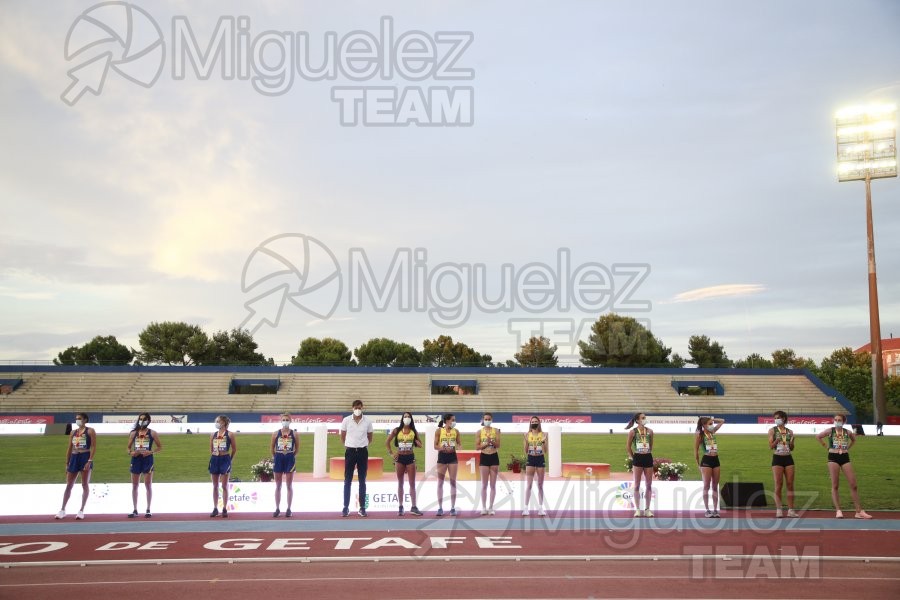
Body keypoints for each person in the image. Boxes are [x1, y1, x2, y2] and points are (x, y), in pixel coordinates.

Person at [815, 414, 872, 519]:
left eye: (839, 420)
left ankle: (858, 511)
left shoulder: (848, 432)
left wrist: (848, 448)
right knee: (835, 485)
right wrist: (826, 447)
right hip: (833, 457)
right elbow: (818, 436)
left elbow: (854, 440)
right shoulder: (830, 431)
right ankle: (838, 510)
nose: (837, 421)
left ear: (844, 421)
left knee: (853, 484)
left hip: (845, 457)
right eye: (835, 420)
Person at [55, 412, 96, 520]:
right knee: (69, 484)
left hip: (85, 456)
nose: (77, 420)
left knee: (84, 484)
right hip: (74, 457)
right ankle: (62, 509)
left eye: (79, 418)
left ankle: (81, 510)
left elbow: (93, 447)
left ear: (85, 420)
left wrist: (89, 461)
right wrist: (67, 462)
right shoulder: (73, 432)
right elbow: (69, 447)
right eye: (76, 418)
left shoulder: (90, 431)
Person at [385, 411, 423, 516]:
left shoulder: (413, 431)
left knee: (412, 483)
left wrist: (415, 441)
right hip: (400, 458)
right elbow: (387, 442)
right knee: (400, 483)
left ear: (411, 419)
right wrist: (391, 454)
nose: (406, 418)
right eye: (405, 416)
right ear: (402, 418)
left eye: (408, 417)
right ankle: (400, 507)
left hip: (410, 458)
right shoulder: (397, 430)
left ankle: (414, 507)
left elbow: (421, 445)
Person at [340, 399, 373, 517]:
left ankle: (362, 507)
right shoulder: (346, 420)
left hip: (363, 452)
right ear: (352, 408)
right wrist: (349, 446)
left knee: (362, 480)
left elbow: (370, 437)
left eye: (359, 407)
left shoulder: (367, 421)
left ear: (362, 408)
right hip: (350, 451)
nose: (357, 409)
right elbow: (343, 436)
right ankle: (345, 507)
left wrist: (362, 445)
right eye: (355, 407)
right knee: (347, 480)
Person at [127, 412, 162, 518]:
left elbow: (159, 447)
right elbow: (128, 448)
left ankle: (148, 509)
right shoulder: (133, 433)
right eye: (140, 419)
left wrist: (150, 452)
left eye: (144, 419)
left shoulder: (152, 433)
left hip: (147, 460)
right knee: (135, 485)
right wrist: (131, 452)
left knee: (147, 485)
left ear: (148, 421)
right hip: (136, 459)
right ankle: (135, 509)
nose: (142, 421)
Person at [694, 415, 725, 518]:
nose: (712, 425)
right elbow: (696, 450)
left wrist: (713, 419)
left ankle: (715, 510)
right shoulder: (700, 435)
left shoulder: (712, 432)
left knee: (715, 486)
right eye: (710, 424)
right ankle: (707, 510)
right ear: (704, 425)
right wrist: (698, 464)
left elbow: (722, 420)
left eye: (712, 424)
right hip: (706, 461)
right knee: (706, 486)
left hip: (716, 460)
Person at [768, 410, 798, 518]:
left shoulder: (790, 432)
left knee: (790, 484)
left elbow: (792, 448)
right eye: (775, 418)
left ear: (784, 418)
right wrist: (776, 441)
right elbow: (770, 446)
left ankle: (791, 510)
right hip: (777, 458)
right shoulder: (772, 430)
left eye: (778, 417)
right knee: (779, 484)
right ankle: (779, 509)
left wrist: (792, 442)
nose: (776, 420)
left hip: (788, 458)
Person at [271, 413, 299, 518]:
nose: (285, 421)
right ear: (281, 421)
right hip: (278, 457)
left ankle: (289, 508)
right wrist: (277, 456)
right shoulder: (275, 433)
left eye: (287, 419)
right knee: (278, 485)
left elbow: (297, 449)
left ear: (290, 421)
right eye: (284, 419)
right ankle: (277, 508)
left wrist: (290, 455)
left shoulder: (295, 434)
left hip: (289, 458)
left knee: (289, 485)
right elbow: (272, 448)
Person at [626, 412, 654, 518]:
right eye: (643, 418)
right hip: (637, 458)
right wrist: (633, 457)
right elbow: (628, 447)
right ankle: (637, 509)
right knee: (637, 485)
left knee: (649, 485)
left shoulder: (650, 431)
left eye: (645, 417)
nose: (644, 419)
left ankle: (647, 509)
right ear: (637, 420)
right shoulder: (632, 432)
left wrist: (646, 452)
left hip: (648, 457)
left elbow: (651, 445)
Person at [208, 415, 237, 518]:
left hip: (225, 459)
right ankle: (215, 508)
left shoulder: (230, 434)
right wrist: (214, 455)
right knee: (215, 486)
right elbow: (210, 448)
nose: (216, 423)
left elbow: (234, 449)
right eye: (216, 421)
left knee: (224, 486)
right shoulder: (213, 434)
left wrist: (230, 460)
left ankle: (224, 508)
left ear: (224, 423)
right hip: (215, 459)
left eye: (218, 421)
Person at [434, 413, 461, 517]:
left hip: (452, 457)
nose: (454, 422)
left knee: (453, 483)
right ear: (447, 421)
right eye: (453, 420)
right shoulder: (439, 431)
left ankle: (453, 508)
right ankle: (440, 508)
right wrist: (443, 448)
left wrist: (458, 447)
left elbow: (459, 444)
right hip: (442, 457)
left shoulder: (456, 431)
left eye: (455, 420)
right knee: (440, 483)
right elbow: (435, 446)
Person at [475, 412, 501, 515]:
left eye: (489, 419)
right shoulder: (479, 432)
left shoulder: (496, 431)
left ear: (492, 420)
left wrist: (492, 442)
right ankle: (483, 507)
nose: (487, 420)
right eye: (486, 419)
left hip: (494, 457)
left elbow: (498, 445)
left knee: (493, 485)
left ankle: (491, 507)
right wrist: (486, 443)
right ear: (483, 420)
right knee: (484, 484)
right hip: (484, 457)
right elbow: (477, 447)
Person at [522, 416, 547, 517]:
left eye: (536, 421)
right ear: (530, 423)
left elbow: (545, 450)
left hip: (540, 459)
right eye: (533, 421)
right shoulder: (527, 434)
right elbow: (525, 450)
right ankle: (525, 508)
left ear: (539, 423)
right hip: (531, 459)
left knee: (540, 485)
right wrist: (527, 441)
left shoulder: (543, 435)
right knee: (529, 485)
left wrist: (544, 441)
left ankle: (541, 508)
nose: (534, 423)